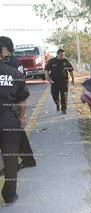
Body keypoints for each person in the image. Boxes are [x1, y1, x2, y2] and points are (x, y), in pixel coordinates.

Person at [0, 36, 36, 176]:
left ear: (4, 48)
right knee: (18, 134)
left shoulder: (7, 62)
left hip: (11, 106)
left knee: (13, 139)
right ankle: (28, 159)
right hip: (15, 104)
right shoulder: (16, 61)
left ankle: (17, 164)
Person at [0, 41, 30, 206]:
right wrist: (22, 117)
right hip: (9, 122)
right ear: (2, 53)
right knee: (11, 160)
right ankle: (9, 196)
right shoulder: (13, 73)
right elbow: (22, 100)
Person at [45, 49, 74, 114]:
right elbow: (46, 69)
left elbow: (71, 70)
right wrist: (47, 77)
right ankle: (58, 103)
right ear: (57, 54)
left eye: (63, 55)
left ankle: (64, 109)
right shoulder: (52, 61)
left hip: (64, 81)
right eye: (61, 55)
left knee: (64, 95)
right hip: (54, 81)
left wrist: (73, 79)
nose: (62, 56)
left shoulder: (66, 61)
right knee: (54, 94)